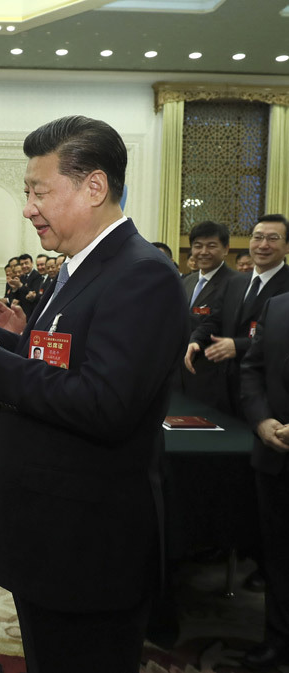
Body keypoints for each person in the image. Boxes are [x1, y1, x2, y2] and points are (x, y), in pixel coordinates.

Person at [0, 116, 187, 673]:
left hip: (86, 549)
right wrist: (9, 341)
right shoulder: (81, 270)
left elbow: (105, 403)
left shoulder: (142, 275)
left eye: (39, 192)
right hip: (50, 536)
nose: (28, 208)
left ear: (94, 187)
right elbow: (68, 362)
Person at [185, 215, 289, 416]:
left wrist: (238, 345)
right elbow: (215, 319)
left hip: (268, 396)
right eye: (258, 237)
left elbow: (282, 343)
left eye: (273, 238)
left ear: (287, 246)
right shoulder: (236, 282)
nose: (263, 245)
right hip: (225, 391)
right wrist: (196, 339)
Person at [240, 293, 289, 670]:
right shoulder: (277, 306)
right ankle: (279, 638)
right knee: (279, 556)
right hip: (275, 455)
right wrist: (260, 420)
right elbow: (252, 369)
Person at [179, 220, 240, 404]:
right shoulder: (187, 281)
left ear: (226, 249)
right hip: (180, 372)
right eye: (198, 246)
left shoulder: (236, 283)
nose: (203, 252)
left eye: (211, 246)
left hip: (213, 375)